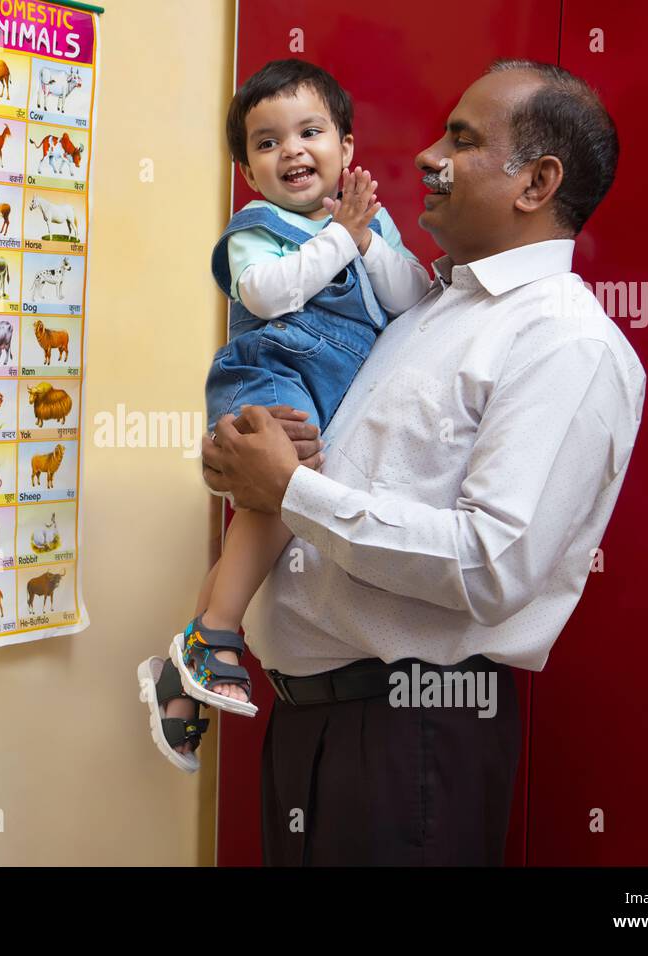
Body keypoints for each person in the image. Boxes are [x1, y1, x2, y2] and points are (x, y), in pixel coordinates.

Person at [197, 59, 645, 864]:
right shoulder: (417, 308)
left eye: (463, 139)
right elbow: (322, 455)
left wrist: (291, 491)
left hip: (412, 736)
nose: (427, 157)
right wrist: (243, 459)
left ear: (537, 182)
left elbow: (489, 565)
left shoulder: (563, 342)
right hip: (310, 725)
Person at [136, 59, 431, 771]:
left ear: (347, 148)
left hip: (328, 386)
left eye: (310, 132)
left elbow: (414, 295)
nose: (292, 151)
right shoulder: (255, 227)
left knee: (277, 502)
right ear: (248, 170)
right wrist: (338, 239)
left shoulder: (371, 223)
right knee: (276, 492)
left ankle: (183, 670)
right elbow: (268, 296)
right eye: (267, 143)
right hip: (270, 371)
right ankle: (215, 635)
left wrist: (364, 238)